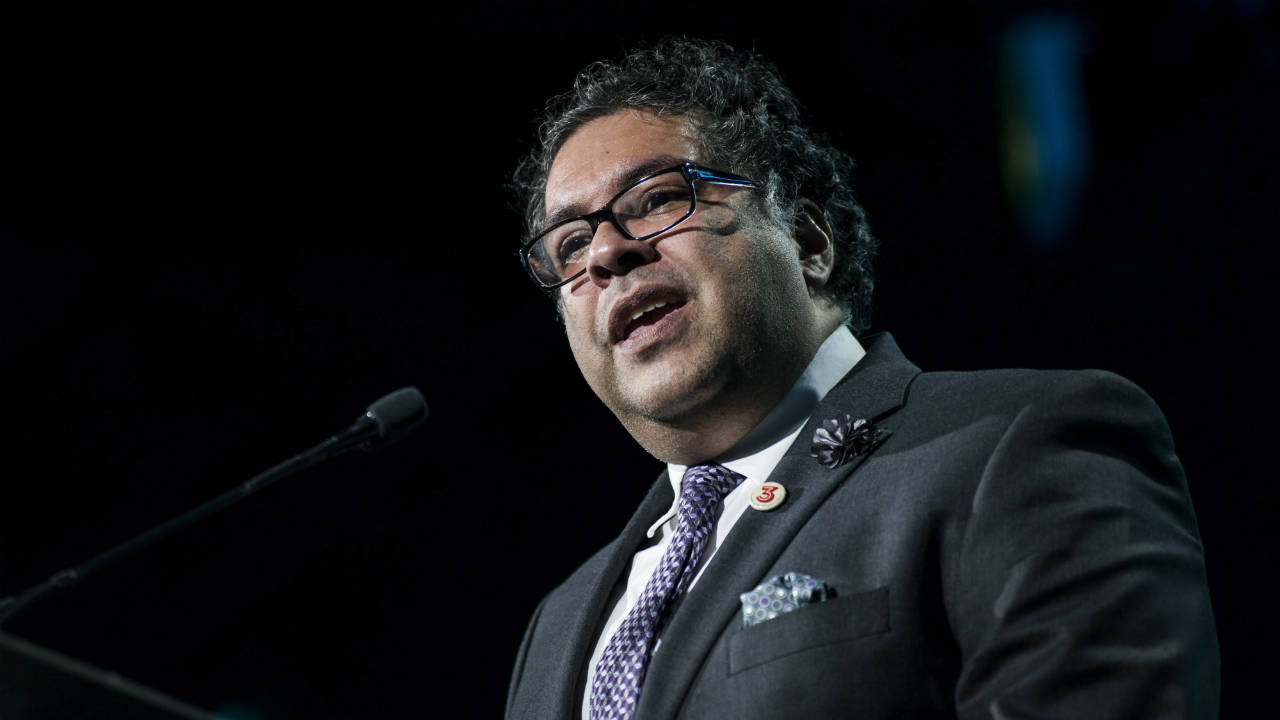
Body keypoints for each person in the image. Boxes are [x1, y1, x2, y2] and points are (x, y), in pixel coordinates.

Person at [505, 37, 1219, 720]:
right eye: (569, 244)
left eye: (659, 198)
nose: (605, 253)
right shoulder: (559, 623)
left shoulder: (1016, 447)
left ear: (809, 241)